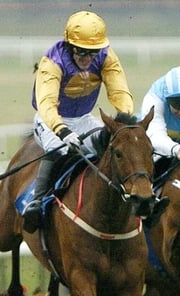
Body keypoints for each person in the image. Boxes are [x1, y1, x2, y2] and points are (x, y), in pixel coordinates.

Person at [21, 10, 134, 233]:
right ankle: (37, 200)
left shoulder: (106, 57)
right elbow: (46, 104)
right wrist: (62, 131)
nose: (87, 58)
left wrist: (127, 121)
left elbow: (120, 92)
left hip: (83, 119)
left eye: (92, 52)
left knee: (113, 145)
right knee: (59, 149)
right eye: (81, 52)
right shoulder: (52, 62)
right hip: (50, 119)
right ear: (69, 45)